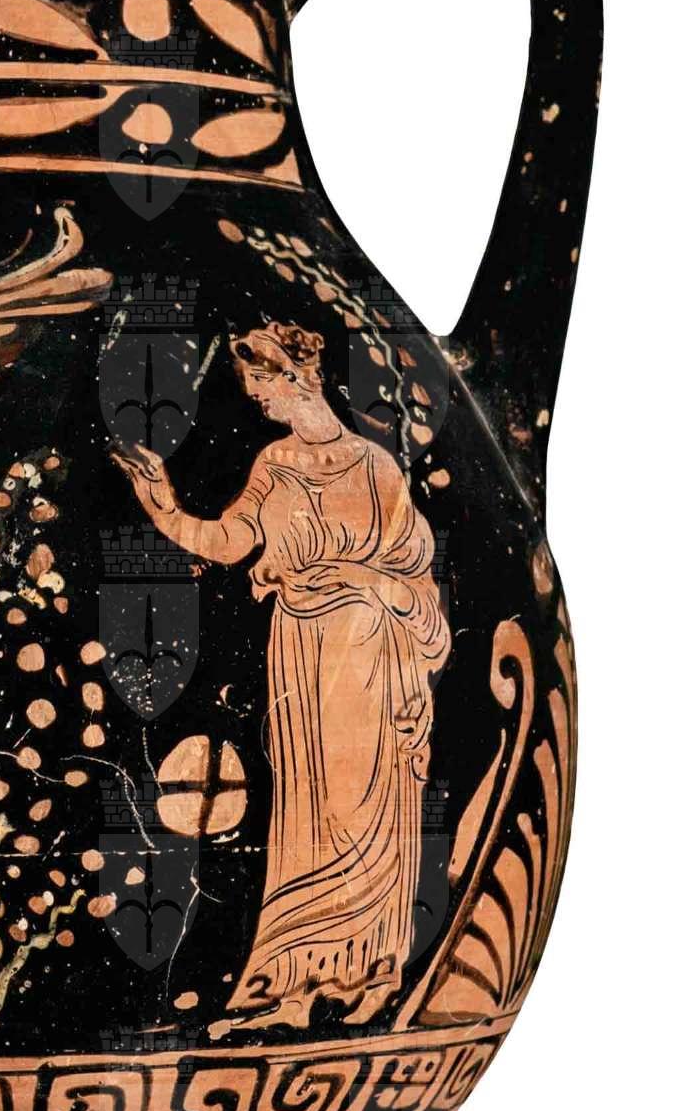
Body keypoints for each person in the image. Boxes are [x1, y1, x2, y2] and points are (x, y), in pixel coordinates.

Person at [114, 322, 449, 1029]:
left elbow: (412, 570)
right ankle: (295, 984)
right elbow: (227, 542)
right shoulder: (274, 463)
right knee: (308, 811)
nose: (257, 399)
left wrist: (358, 581)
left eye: (261, 384)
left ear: (296, 378)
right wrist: (163, 503)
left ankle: (371, 972)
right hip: (300, 645)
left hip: (369, 646)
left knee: (367, 806)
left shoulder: (375, 466)